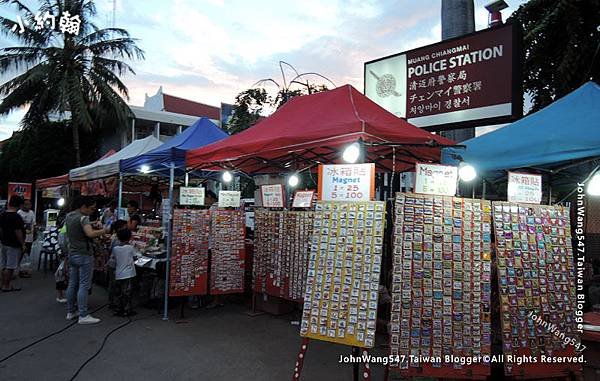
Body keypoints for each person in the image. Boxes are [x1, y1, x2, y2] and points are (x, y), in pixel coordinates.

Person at [65, 196, 110, 324]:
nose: (92, 211)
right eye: (91, 209)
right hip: (84, 254)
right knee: (84, 285)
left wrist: (91, 224)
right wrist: (104, 230)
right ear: (83, 206)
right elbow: (90, 234)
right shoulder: (83, 218)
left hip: (72, 253)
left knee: (73, 283)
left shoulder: (70, 215)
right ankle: (83, 315)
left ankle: (70, 311)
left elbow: (81, 227)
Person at [0, 195, 25, 292]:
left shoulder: (3, 215)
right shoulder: (16, 217)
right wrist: (22, 243)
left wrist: (2, 239)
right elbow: (18, 231)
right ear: (18, 204)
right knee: (10, 267)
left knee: (4, 265)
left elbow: (1, 229)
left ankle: (2, 284)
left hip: (4, 243)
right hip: (13, 244)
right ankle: (6, 286)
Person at [110, 228, 137, 317]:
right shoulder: (130, 248)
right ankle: (126, 310)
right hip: (128, 274)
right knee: (127, 293)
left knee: (119, 293)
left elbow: (113, 259)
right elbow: (135, 257)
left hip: (118, 273)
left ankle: (118, 308)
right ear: (129, 237)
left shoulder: (115, 249)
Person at [107, 220, 128, 310]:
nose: (126, 228)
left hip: (112, 264)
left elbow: (111, 250)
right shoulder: (118, 241)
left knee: (113, 284)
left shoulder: (114, 238)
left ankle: (112, 302)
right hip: (117, 265)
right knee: (115, 284)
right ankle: (115, 303)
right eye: (125, 227)